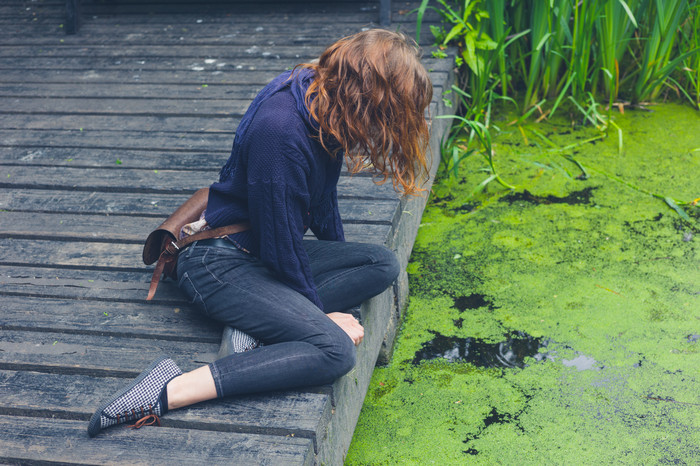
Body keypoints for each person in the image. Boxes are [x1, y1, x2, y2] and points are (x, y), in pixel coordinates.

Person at [87, 29, 433, 437]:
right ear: (369, 94)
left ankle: (255, 324)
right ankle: (167, 388)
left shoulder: (321, 98)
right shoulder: (282, 131)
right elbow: (283, 248)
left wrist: (314, 298)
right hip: (218, 263)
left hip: (257, 252)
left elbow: (321, 202)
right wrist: (320, 318)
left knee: (380, 263)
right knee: (334, 351)